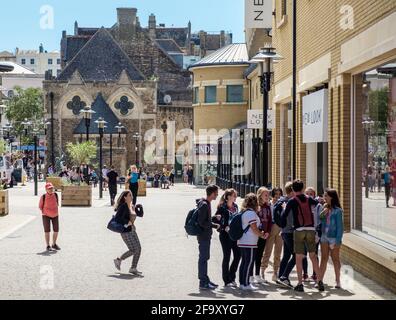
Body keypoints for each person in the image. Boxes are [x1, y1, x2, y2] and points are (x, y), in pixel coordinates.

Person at [281, 179, 323, 292]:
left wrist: (284, 208)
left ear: (293, 189)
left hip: (299, 230)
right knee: (313, 256)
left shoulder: (291, 201)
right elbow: (318, 205)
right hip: (311, 230)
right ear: (303, 188)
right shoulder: (309, 199)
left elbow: (283, 216)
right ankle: (319, 281)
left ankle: (300, 284)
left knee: (299, 258)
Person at [238, 193, 267, 291]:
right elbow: (254, 229)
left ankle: (242, 282)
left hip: (244, 241)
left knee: (244, 263)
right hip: (249, 242)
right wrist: (262, 235)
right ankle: (245, 284)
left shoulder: (244, 212)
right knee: (248, 262)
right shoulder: (251, 213)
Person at [213, 189, 240, 287]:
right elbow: (214, 219)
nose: (235, 197)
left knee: (238, 255)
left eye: (236, 195)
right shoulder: (222, 207)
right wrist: (223, 226)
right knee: (227, 257)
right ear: (228, 196)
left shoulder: (236, 206)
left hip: (234, 235)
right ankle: (226, 280)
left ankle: (232, 277)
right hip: (225, 236)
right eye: (234, 195)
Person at [317, 189, 344, 289]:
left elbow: (340, 227)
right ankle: (320, 281)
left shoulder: (338, 211)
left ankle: (338, 281)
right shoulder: (325, 207)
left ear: (331, 197)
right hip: (324, 236)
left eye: (326, 196)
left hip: (334, 238)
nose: (325, 198)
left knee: (335, 259)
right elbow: (320, 218)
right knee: (324, 258)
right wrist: (324, 212)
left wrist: (337, 241)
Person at [196, 185, 220, 290]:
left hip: (205, 235)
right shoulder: (205, 204)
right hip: (203, 236)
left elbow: (205, 219)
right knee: (203, 258)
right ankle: (203, 282)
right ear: (212, 193)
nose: (218, 195)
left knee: (205, 257)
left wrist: (213, 218)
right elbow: (201, 222)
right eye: (216, 193)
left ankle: (205, 279)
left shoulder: (206, 203)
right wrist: (214, 225)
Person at [113, 190, 142, 275]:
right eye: (129, 195)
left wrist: (140, 208)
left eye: (132, 195)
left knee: (138, 249)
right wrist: (126, 222)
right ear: (125, 197)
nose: (131, 196)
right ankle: (119, 260)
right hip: (125, 231)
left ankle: (133, 268)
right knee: (133, 249)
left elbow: (139, 215)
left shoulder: (131, 205)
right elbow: (117, 218)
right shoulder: (123, 206)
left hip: (132, 230)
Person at [260, 187, 284, 283]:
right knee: (267, 251)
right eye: (276, 194)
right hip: (271, 228)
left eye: (279, 194)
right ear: (272, 194)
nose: (277, 196)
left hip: (280, 229)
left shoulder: (283, 204)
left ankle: (275, 273)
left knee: (278, 252)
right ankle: (262, 271)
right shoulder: (269, 204)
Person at [275, 182, 295, 288]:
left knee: (287, 255)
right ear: (292, 192)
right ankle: (284, 276)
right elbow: (290, 218)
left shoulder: (282, 201)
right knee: (296, 256)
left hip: (284, 231)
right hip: (289, 232)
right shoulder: (288, 202)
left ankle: (280, 277)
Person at [304, 187, 324, 282]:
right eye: (307, 193)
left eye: (311, 194)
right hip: (304, 232)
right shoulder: (303, 205)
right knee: (303, 254)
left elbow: (321, 221)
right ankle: (305, 274)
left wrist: (318, 234)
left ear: (314, 195)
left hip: (314, 233)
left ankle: (315, 274)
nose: (309, 195)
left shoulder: (318, 206)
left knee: (314, 254)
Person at [253, 187, 271, 284]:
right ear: (260, 196)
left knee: (260, 254)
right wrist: (259, 232)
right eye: (265, 195)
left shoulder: (268, 207)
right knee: (254, 255)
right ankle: (251, 275)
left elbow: (269, 220)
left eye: (268, 195)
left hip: (264, 234)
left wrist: (268, 231)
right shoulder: (256, 207)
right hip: (256, 234)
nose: (267, 197)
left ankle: (257, 274)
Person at [38, 183, 60, 251]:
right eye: (49, 188)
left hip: (55, 215)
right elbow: (40, 206)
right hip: (46, 215)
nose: (51, 190)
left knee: (56, 230)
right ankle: (48, 245)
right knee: (47, 231)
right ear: (46, 189)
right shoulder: (43, 196)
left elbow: (57, 203)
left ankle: (54, 244)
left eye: (52, 188)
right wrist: (45, 212)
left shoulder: (56, 195)